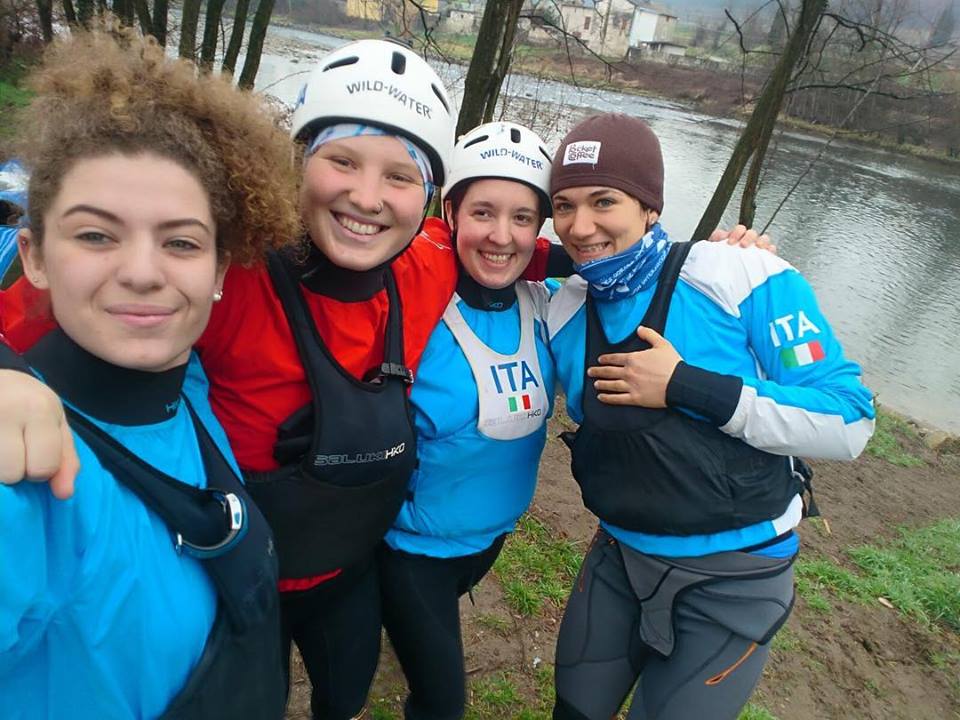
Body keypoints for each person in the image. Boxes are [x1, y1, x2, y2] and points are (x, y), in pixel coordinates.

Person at [0, 31, 300, 720]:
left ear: (220, 272)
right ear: (35, 256)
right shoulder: (27, 480)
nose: (142, 272)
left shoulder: (186, 385)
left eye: (182, 242)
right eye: (96, 235)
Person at [544, 113, 876, 720]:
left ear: (649, 206)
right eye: (563, 205)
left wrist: (686, 387)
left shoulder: (739, 274)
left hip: (736, 577)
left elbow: (850, 419)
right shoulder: (564, 311)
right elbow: (495, 260)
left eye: (604, 201)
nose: (580, 226)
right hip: (619, 557)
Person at [378, 121, 557, 720]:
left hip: (487, 539)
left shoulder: (552, 304)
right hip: (409, 549)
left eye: (522, 218)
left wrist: (726, 254)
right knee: (441, 704)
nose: (501, 236)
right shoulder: (410, 296)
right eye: (483, 212)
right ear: (450, 211)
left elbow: (639, 272)